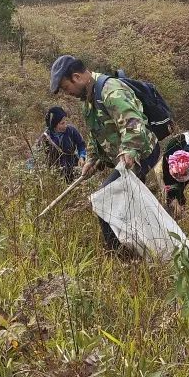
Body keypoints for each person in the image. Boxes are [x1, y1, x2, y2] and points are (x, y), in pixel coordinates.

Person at [50, 55, 162, 251]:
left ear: (76, 77)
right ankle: (143, 247)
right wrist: (92, 160)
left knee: (106, 201)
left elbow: (134, 124)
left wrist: (129, 151)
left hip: (142, 153)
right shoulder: (89, 100)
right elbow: (96, 134)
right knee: (132, 205)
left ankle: (118, 255)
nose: (68, 94)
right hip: (123, 157)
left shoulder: (111, 91)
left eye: (66, 88)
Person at [25, 106, 87, 183]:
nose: (65, 125)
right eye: (62, 123)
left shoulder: (71, 131)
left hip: (74, 168)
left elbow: (81, 145)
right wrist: (30, 171)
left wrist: (82, 156)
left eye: (65, 121)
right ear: (54, 125)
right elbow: (34, 156)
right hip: (57, 175)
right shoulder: (46, 138)